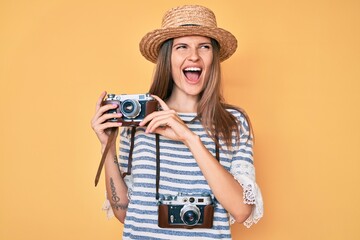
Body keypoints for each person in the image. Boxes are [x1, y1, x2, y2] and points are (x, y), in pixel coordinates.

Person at [91, 5, 263, 239]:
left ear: (213, 57)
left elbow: (242, 211)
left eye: (204, 47)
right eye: (182, 47)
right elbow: (125, 214)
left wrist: (189, 138)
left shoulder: (234, 123)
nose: (194, 56)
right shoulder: (139, 122)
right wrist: (107, 145)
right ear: (167, 58)